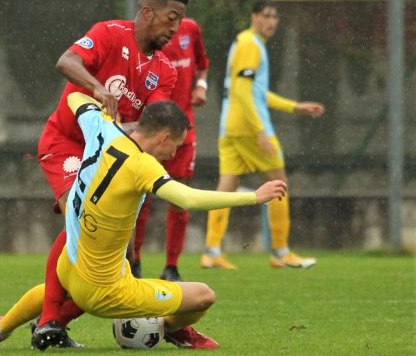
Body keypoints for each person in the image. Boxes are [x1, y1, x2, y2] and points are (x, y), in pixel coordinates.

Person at [0, 0, 189, 350]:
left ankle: (50, 322)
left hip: (110, 156)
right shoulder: (108, 34)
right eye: (171, 18)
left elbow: (153, 121)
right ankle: (47, 320)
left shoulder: (165, 71)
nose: (175, 29)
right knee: (76, 215)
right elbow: (66, 61)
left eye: (180, 21)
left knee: (108, 262)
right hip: (67, 143)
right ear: (146, 12)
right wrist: (97, 87)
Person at [43, 92, 288, 350]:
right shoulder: (143, 165)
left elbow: (75, 98)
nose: (174, 154)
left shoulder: (103, 128)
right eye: (176, 146)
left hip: (75, 269)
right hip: (107, 290)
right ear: (164, 138)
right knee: (204, 295)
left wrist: (103, 97)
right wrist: (254, 196)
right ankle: (171, 329)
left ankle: (6, 326)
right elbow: (189, 199)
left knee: (65, 269)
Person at [200, 0, 325, 270]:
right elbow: (244, 92)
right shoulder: (250, 45)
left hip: (230, 126)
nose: (271, 21)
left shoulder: (245, 43)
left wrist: (294, 107)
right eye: (266, 15)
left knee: (227, 188)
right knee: (279, 182)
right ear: (254, 17)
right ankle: (281, 251)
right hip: (249, 127)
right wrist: (259, 131)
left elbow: (252, 91)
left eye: (275, 16)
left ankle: (211, 250)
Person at [131, 0, 210, 282]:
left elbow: (203, 65)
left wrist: (201, 86)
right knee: (141, 197)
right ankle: (133, 261)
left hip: (182, 132)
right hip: (150, 132)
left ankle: (171, 267)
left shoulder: (190, 29)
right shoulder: (141, 38)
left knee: (180, 197)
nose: (173, 24)